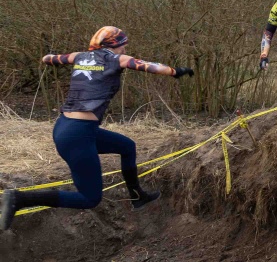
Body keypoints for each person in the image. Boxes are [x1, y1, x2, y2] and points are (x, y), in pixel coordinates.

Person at [0, 27, 193, 231]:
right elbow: (154, 67)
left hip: (69, 127)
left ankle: (138, 196)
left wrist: (56, 59)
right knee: (89, 198)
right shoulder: (117, 60)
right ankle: (20, 198)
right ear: (112, 45)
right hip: (77, 135)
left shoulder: (79, 57)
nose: (125, 47)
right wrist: (176, 71)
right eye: (122, 43)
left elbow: (48, 58)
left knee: (127, 146)